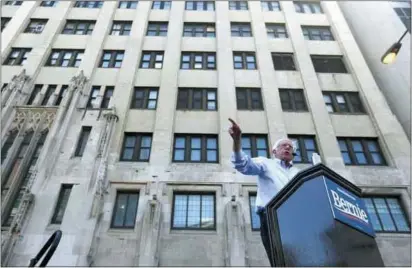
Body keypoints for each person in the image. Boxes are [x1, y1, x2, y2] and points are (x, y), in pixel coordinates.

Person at [228, 118, 300, 266]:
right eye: (283, 146)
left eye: (290, 147)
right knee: (281, 261)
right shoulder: (266, 164)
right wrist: (237, 141)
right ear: (274, 151)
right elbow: (242, 164)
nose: (287, 148)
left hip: (297, 220)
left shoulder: (298, 174)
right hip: (272, 217)